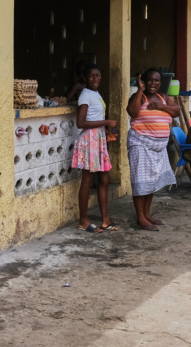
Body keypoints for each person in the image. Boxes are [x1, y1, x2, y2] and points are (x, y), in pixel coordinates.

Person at [126, 68, 180, 230]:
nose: (152, 83)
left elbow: (177, 111)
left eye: (156, 80)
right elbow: (132, 112)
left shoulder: (162, 97)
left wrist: (162, 107)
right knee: (141, 180)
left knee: (151, 180)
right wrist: (139, 90)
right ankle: (140, 218)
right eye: (149, 80)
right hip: (140, 143)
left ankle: (147, 214)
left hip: (158, 147)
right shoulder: (139, 97)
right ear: (143, 81)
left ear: (160, 83)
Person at [72, 64, 117, 232]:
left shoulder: (96, 94)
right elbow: (80, 122)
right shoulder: (85, 95)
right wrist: (106, 122)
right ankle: (83, 220)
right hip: (89, 140)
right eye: (91, 76)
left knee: (104, 179)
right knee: (88, 180)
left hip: (98, 139)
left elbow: (94, 117)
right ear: (85, 78)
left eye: (97, 75)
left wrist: (105, 131)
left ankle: (106, 220)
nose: (95, 78)